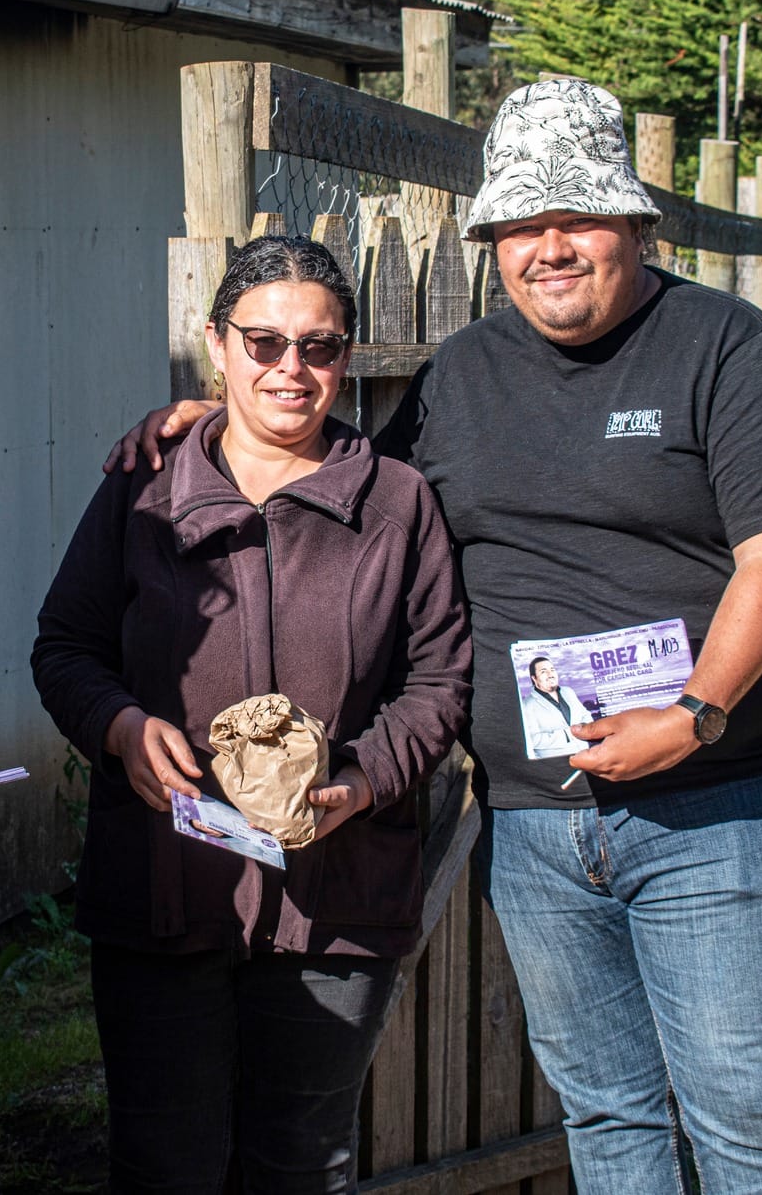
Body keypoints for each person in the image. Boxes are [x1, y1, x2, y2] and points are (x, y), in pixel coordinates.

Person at [108, 80, 762, 1193]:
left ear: (635, 225)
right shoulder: (461, 375)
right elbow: (341, 480)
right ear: (492, 241)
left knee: (743, 1116)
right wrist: (211, 423)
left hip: (718, 805)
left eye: (577, 218)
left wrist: (693, 718)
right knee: (603, 1116)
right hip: (537, 827)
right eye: (519, 225)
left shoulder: (721, 348)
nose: (548, 247)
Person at [33, 235, 471, 1194]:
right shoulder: (143, 489)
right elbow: (64, 647)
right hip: (165, 882)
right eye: (264, 342)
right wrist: (117, 726)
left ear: (346, 356)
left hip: (336, 897)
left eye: (318, 346)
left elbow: (440, 682)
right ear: (216, 345)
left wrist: (365, 779)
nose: (291, 367)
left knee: (302, 1164)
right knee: (163, 1164)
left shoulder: (396, 504)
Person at [519, 655, 593, 758]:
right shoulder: (527, 705)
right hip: (558, 762)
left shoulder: (568, 691)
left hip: (586, 753)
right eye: (543, 671)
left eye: (552, 670)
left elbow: (585, 714)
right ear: (534, 678)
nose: (550, 674)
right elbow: (531, 739)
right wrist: (568, 734)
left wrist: (586, 728)